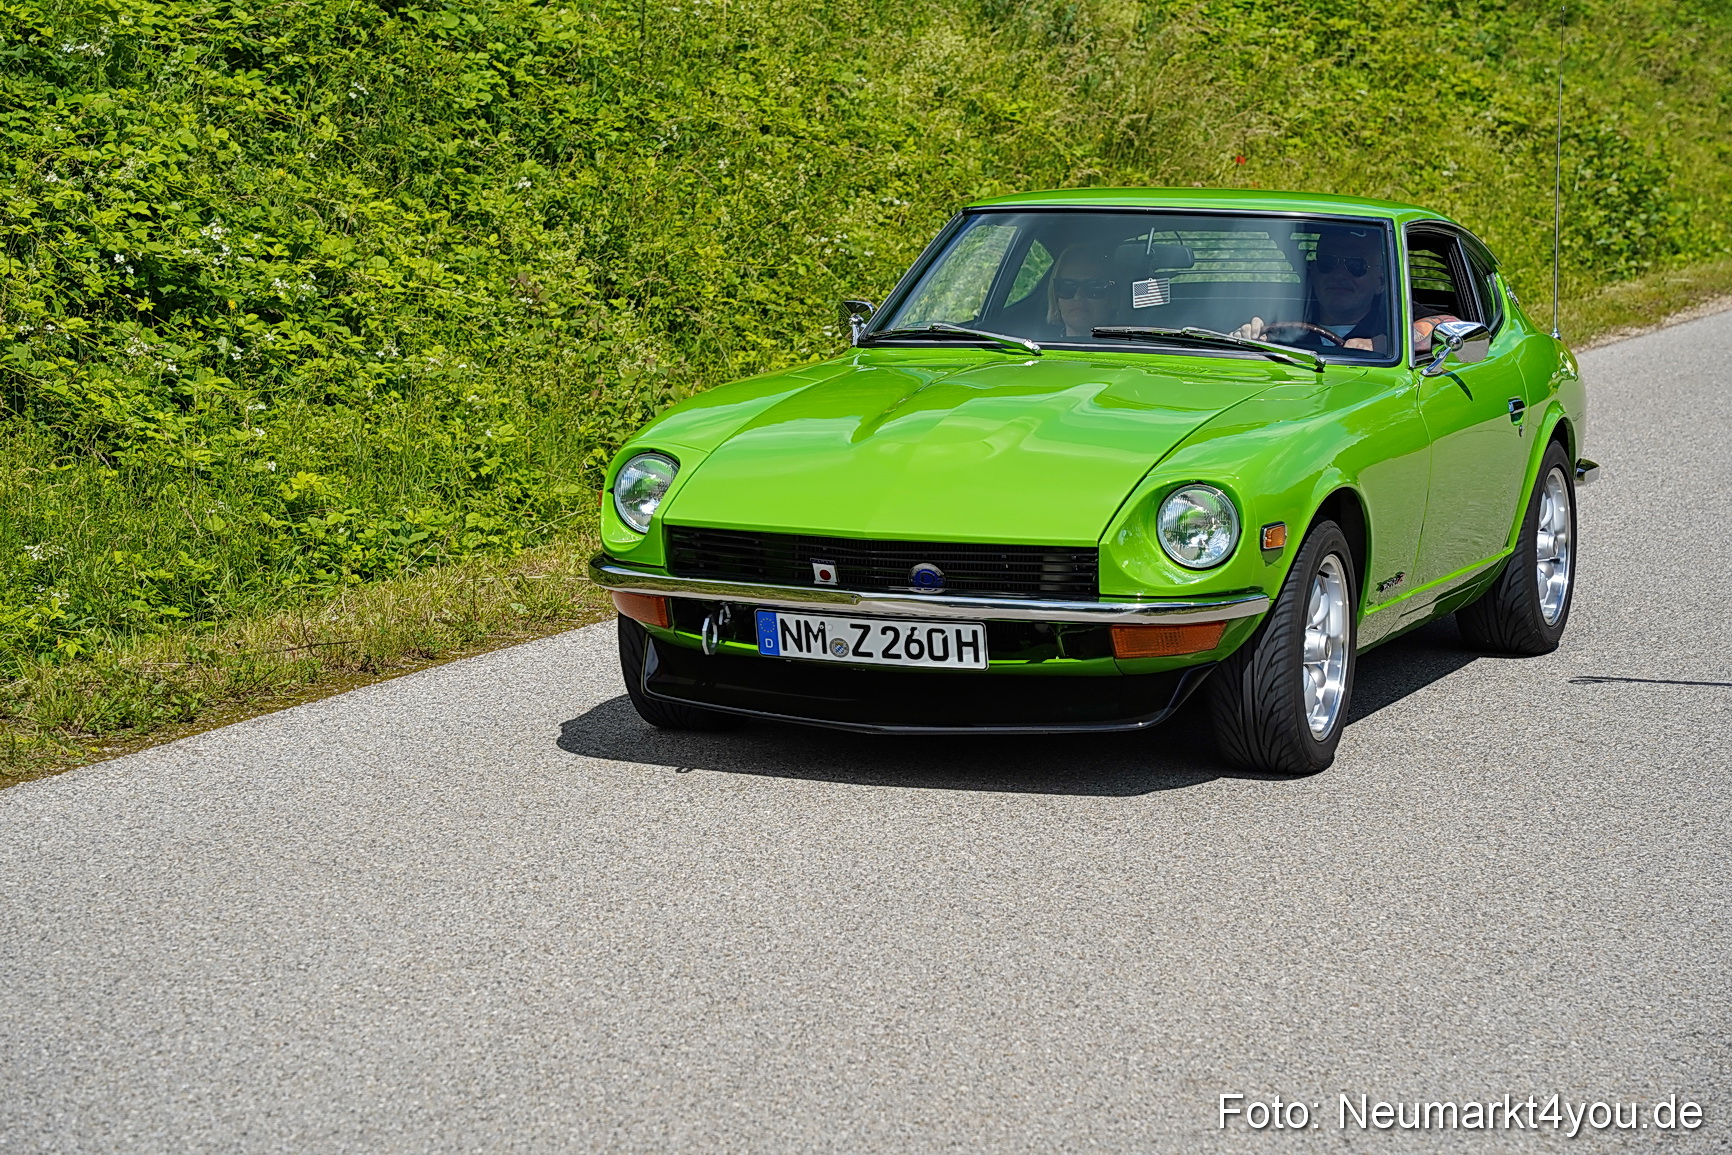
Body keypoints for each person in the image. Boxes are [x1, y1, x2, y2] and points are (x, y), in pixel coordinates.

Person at [1233, 226, 1457, 354]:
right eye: (1327, 263)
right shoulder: (1281, 315)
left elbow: (1452, 326)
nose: (1339, 275)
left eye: (1356, 266)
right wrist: (1248, 340)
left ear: (1380, 282)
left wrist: (1386, 344)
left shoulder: (1393, 316)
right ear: (1313, 272)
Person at [1047, 244, 1123, 338]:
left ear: (1113, 298)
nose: (1078, 296)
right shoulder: (1035, 348)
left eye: (1093, 287)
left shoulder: (1133, 349)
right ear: (1056, 298)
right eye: (1067, 287)